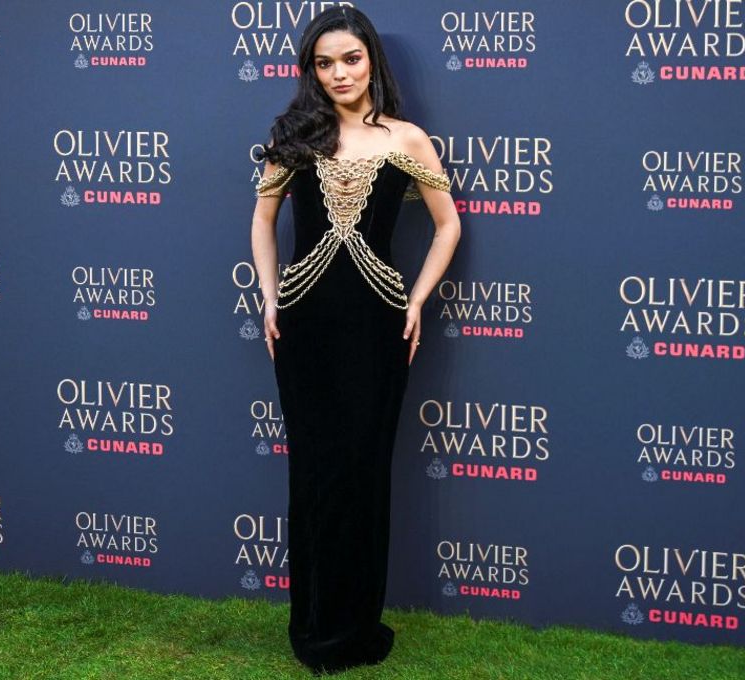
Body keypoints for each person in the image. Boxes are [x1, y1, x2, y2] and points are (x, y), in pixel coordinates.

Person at [250, 6, 461, 675]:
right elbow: (263, 218)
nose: (339, 73)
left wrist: (419, 298)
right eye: (325, 62)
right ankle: (312, 627)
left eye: (351, 59)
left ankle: (356, 628)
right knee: (313, 471)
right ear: (312, 71)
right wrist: (267, 295)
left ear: (372, 60)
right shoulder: (296, 136)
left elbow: (448, 225)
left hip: (378, 322)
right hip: (305, 321)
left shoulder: (408, 139)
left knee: (365, 471)